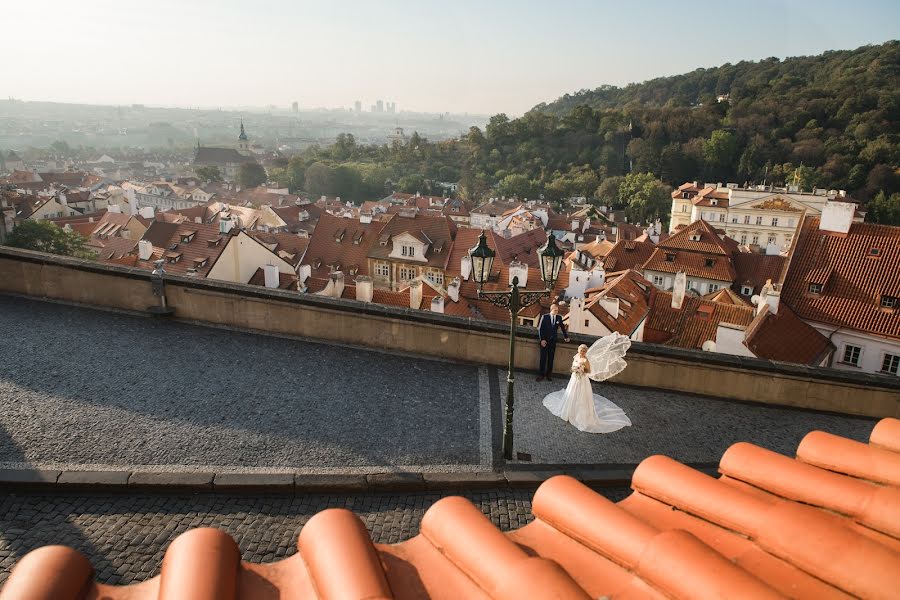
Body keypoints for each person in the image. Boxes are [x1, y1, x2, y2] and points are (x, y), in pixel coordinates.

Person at [542, 335, 632, 434]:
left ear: (586, 351)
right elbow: (573, 365)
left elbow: (589, 370)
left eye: (584, 351)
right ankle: (569, 411)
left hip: (582, 379)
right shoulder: (576, 356)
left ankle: (579, 414)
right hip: (574, 378)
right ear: (578, 350)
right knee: (571, 393)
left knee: (581, 395)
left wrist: (581, 370)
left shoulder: (586, 360)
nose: (582, 352)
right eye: (581, 350)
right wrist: (575, 369)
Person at [536, 302, 569, 382]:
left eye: (557, 310)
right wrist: (542, 340)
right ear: (551, 310)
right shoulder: (545, 317)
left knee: (551, 359)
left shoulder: (559, 318)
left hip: (553, 342)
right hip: (545, 341)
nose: (556, 312)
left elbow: (562, 328)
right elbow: (540, 329)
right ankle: (541, 374)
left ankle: (549, 374)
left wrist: (566, 337)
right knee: (543, 358)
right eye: (555, 310)